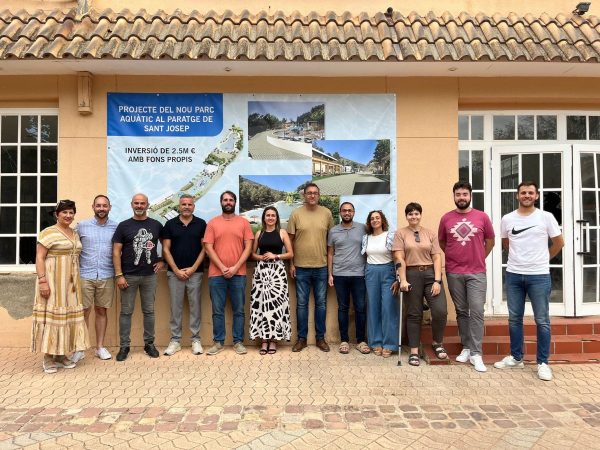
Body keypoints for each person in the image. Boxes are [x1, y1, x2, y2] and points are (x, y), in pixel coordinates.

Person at [494, 181, 564, 381]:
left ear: (537, 195)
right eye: (523, 192)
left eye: (530, 192)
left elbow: (559, 242)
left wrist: (543, 259)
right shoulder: (507, 219)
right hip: (514, 274)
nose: (526, 195)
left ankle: (543, 363)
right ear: (517, 196)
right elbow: (506, 243)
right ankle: (516, 357)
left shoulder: (546, 217)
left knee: (542, 320)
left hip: (539, 276)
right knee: (514, 319)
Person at [438, 182, 495, 372]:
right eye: (458, 194)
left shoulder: (482, 217)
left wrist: (477, 256)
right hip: (454, 272)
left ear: (470, 195)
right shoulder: (446, 218)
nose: (461, 197)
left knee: (477, 311)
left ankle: (477, 353)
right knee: (461, 310)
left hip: (477, 272)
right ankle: (467, 347)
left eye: (464, 194)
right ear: (453, 196)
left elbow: (490, 241)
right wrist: (456, 258)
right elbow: (442, 242)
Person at [32, 199, 89, 373]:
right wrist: (42, 281)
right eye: (64, 212)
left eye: (71, 212)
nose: (68, 215)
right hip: (52, 282)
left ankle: (62, 354)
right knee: (53, 318)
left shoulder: (74, 233)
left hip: (70, 285)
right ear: (57, 214)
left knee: (67, 319)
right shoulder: (48, 233)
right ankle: (48, 357)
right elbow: (40, 257)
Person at [394, 202, 447, 367]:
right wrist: (402, 279)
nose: (413, 216)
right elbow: (399, 258)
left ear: (420, 215)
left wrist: (437, 280)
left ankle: (437, 342)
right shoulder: (400, 233)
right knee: (414, 314)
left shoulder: (430, 233)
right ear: (406, 216)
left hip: (431, 274)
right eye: (410, 214)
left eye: (416, 213)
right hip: (411, 274)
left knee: (440, 311)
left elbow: (437, 257)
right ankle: (414, 351)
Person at [112, 193, 164, 361]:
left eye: (142, 203)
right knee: (126, 312)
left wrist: (162, 260)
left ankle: (149, 344)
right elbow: (116, 251)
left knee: (149, 311)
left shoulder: (156, 225)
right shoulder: (123, 226)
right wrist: (119, 274)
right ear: (131, 204)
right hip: (128, 276)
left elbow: (168, 245)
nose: (139, 206)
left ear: (147, 205)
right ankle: (124, 346)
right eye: (136, 203)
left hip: (150, 276)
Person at [203, 191, 254, 355]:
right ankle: (218, 342)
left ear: (235, 202)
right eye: (225, 199)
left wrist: (235, 267)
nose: (228, 202)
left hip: (238, 274)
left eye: (231, 200)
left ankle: (238, 342)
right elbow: (208, 247)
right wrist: (223, 267)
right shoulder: (212, 223)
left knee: (239, 310)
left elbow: (248, 248)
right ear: (221, 202)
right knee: (217, 311)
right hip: (216, 275)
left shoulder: (244, 223)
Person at [287, 182, 334, 352]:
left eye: (315, 193)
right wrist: (291, 264)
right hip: (300, 267)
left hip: (321, 266)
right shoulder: (296, 214)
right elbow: (289, 241)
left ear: (319, 195)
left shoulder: (327, 214)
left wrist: (330, 269)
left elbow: (331, 243)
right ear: (304, 195)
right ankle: (302, 339)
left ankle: (320, 338)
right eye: (309, 193)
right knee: (301, 305)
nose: (312, 195)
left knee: (321, 304)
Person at [72, 194, 118, 362]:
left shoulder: (116, 227)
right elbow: (72, 249)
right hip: (85, 275)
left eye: (104, 206)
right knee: (83, 312)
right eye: (98, 206)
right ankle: (80, 348)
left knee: (101, 311)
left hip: (107, 274)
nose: (101, 209)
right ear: (93, 207)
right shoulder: (82, 226)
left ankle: (99, 347)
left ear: (109, 208)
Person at [162, 194, 207, 356]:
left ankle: (195, 340)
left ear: (193, 206)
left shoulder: (201, 224)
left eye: (189, 204)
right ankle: (175, 340)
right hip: (175, 273)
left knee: (195, 306)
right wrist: (175, 270)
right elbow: (166, 249)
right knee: (176, 307)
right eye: (183, 204)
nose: (186, 207)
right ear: (178, 206)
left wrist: (193, 268)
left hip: (195, 273)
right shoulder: (170, 224)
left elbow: (205, 248)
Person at [249, 206, 293, 354]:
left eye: (273, 215)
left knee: (276, 306)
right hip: (261, 273)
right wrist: (260, 257)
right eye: (268, 215)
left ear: (276, 218)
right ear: (264, 218)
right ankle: (264, 340)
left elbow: (290, 253)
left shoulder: (282, 232)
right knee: (261, 305)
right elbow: (252, 254)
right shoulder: (259, 233)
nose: (270, 218)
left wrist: (276, 256)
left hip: (277, 274)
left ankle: (273, 340)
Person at [328, 202, 369, 355]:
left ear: (354, 212)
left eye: (349, 210)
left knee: (360, 308)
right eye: (344, 210)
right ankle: (344, 340)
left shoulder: (363, 228)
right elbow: (330, 253)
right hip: (339, 275)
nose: (347, 213)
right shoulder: (333, 231)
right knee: (343, 308)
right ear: (340, 212)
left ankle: (360, 341)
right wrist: (330, 274)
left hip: (359, 275)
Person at [361, 210, 399, 358]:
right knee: (373, 307)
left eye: (377, 218)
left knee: (389, 307)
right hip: (371, 272)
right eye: (372, 218)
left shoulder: (390, 236)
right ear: (369, 222)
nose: (375, 220)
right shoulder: (366, 238)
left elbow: (397, 256)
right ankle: (375, 342)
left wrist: (398, 278)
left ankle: (389, 344)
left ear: (382, 220)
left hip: (388, 271)